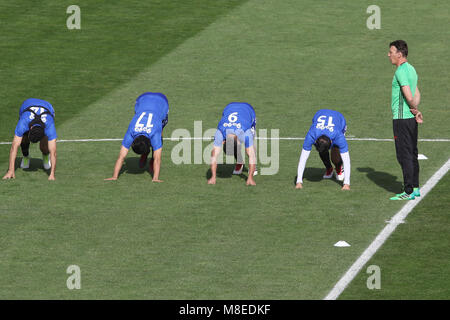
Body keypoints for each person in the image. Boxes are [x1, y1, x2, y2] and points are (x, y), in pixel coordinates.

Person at [105, 92, 169, 182]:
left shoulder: (152, 133)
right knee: (157, 140)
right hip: (142, 100)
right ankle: (145, 153)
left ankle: (151, 158)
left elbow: (121, 157)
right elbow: (121, 157)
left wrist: (155, 178)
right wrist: (155, 178)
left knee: (160, 130)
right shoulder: (131, 132)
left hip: (161, 102)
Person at [387, 40, 422, 200]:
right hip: (410, 119)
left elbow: (409, 96)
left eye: (391, 52)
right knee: (412, 153)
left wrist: (412, 106)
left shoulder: (400, 71)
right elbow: (417, 94)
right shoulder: (412, 69)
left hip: (401, 119)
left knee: (404, 155)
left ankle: (407, 191)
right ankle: (415, 187)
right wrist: (415, 110)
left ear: (399, 54)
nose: (389, 55)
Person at [295, 109, 350, 190]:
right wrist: (299, 181)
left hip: (339, 119)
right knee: (321, 149)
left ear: (331, 141)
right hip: (319, 114)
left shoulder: (338, 136)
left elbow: (346, 160)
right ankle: (329, 168)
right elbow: (303, 158)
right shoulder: (311, 135)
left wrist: (346, 184)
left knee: (336, 150)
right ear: (316, 140)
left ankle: (338, 168)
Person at [2, 98, 57, 181]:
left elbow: (54, 152)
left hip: (47, 107)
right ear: (29, 129)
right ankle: (26, 156)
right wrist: (10, 171)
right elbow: (14, 147)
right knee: (23, 138)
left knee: (44, 147)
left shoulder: (49, 125)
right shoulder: (23, 122)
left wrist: (52, 174)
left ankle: (45, 156)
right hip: (27, 105)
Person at [207, 102, 257, 185]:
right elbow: (214, 156)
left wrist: (250, 178)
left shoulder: (246, 133)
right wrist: (213, 177)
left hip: (248, 110)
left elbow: (251, 154)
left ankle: (254, 168)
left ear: (224, 141)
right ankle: (239, 162)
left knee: (250, 147)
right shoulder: (220, 133)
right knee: (240, 147)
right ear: (224, 141)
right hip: (229, 107)